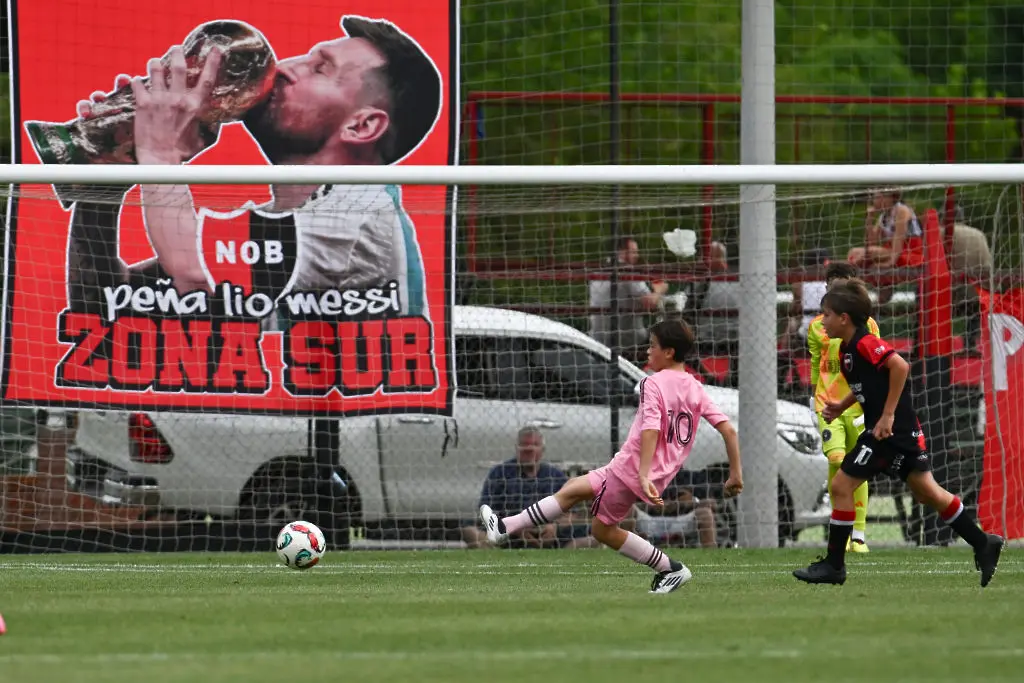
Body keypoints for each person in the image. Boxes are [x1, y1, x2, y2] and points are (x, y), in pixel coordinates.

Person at [70, 15, 439, 318]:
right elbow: (102, 303)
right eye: (306, 57)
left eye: (319, 69)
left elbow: (192, 276)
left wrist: (161, 154)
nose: (284, 67)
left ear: (362, 126)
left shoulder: (361, 214)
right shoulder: (280, 226)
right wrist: (110, 172)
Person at [480, 319, 743, 594]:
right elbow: (729, 430)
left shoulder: (652, 384)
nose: (647, 352)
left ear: (669, 352)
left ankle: (670, 569)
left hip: (632, 471)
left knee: (603, 530)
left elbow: (651, 428)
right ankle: (504, 526)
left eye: (652, 346)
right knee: (573, 488)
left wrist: (642, 474)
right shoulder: (696, 388)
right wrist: (735, 474)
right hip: (642, 471)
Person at [793, 279, 1004, 586]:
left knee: (840, 486)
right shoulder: (848, 350)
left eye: (826, 314)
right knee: (926, 491)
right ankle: (983, 543)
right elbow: (867, 385)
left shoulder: (865, 343)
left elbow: (900, 366)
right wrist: (842, 405)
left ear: (844, 318)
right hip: (894, 433)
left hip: (888, 434)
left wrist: (888, 415)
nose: (822, 320)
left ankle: (834, 566)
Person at [806, 262, 875, 552]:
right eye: (831, 288)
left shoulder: (868, 325)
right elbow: (814, 362)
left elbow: (876, 364)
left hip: (858, 407)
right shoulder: (817, 327)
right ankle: (843, 528)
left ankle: (856, 535)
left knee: (857, 465)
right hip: (828, 404)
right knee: (838, 460)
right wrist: (812, 395)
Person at [462, 426, 597, 550]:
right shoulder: (499, 473)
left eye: (534, 445)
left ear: (542, 450)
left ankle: (563, 561)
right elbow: (487, 512)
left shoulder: (555, 475)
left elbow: (571, 514)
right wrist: (516, 528)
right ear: (517, 448)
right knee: (468, 529)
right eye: (524, 445)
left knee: (596, 532)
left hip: (549, 533)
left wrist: (554, 527)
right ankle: (495, 561)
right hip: (509, 534)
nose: (529, 449)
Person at [588, 237, 668, 363]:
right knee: (668, 345)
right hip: (627, 344)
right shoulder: (627, 271)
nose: (637, 255)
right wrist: (660, 289)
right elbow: (650, 303)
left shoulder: (599, 270)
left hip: (597, 341)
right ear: (622, 252)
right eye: (634, 252)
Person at [847, 189, 923, 269]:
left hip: (909, 251)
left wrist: (890, 263)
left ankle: (849, 270)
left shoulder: (901, 210)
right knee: (853, 252)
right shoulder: (883, 216)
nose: (874, 201)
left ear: (888, 198)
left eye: (876, 197)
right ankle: (851, 269)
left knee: (870, 252)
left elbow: (899, 238)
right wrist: (869, 219)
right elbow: (872, 242)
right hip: (892, 250)